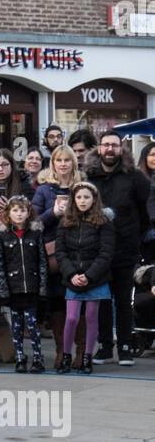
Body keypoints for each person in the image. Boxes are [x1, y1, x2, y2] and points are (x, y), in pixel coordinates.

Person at [88, 130, 150, 366]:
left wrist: (137, 235)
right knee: (102, 300)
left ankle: (125, 347)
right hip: (97, 251)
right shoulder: (89, 176)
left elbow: (146, 211)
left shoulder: (135, 177)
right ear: (100, 148)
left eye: (114, 145)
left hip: (125, 248)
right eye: (106, 145)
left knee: (124, 300)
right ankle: (104, 347)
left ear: (121, 149)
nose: (110, 149)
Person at [55, 182, 116, 375]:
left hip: (95, 279)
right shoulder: (65, 221)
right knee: (71, 318)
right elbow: (60, 252)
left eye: (87, 197)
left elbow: (106, 253)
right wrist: (72, 274)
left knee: (91, 318)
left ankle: (87, 358)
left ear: (94, 199)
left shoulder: (104, 222)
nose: (82, 201)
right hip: (72, 278)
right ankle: (66, 356)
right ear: (73, 199)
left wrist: (89, 276)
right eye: (79, 197)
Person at [31, 146, 80, 367]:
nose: (62, 164)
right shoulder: (43, 190)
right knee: (57, 304)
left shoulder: (82, 186)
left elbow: (97, 215)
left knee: (79, 302)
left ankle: (80, 350)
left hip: (80, 253)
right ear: (53, 164)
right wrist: (54, 212)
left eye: (67, 160)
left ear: (73, 163)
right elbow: (33, 223)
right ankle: (62, 350)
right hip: (53, 255)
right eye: (58, 160)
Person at [0, 196, 48, 373]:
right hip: (12, 288)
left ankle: (38, 357)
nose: (19, 214)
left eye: (22, 210)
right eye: (15, 210)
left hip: (31, 287)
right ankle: (20, 357)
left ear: (28, 212)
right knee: (15, 326)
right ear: (8, 213)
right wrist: (2, 289)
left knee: (32, 325)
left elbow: (42, 261)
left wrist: (42, 287)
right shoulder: (2, 236)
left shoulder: (36, 234)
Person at [0, 147, 33, 213]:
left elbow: (31, 210)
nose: (0, 169)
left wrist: (10, 209)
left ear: (12, 165)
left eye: (4, 164)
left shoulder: (24, 185)